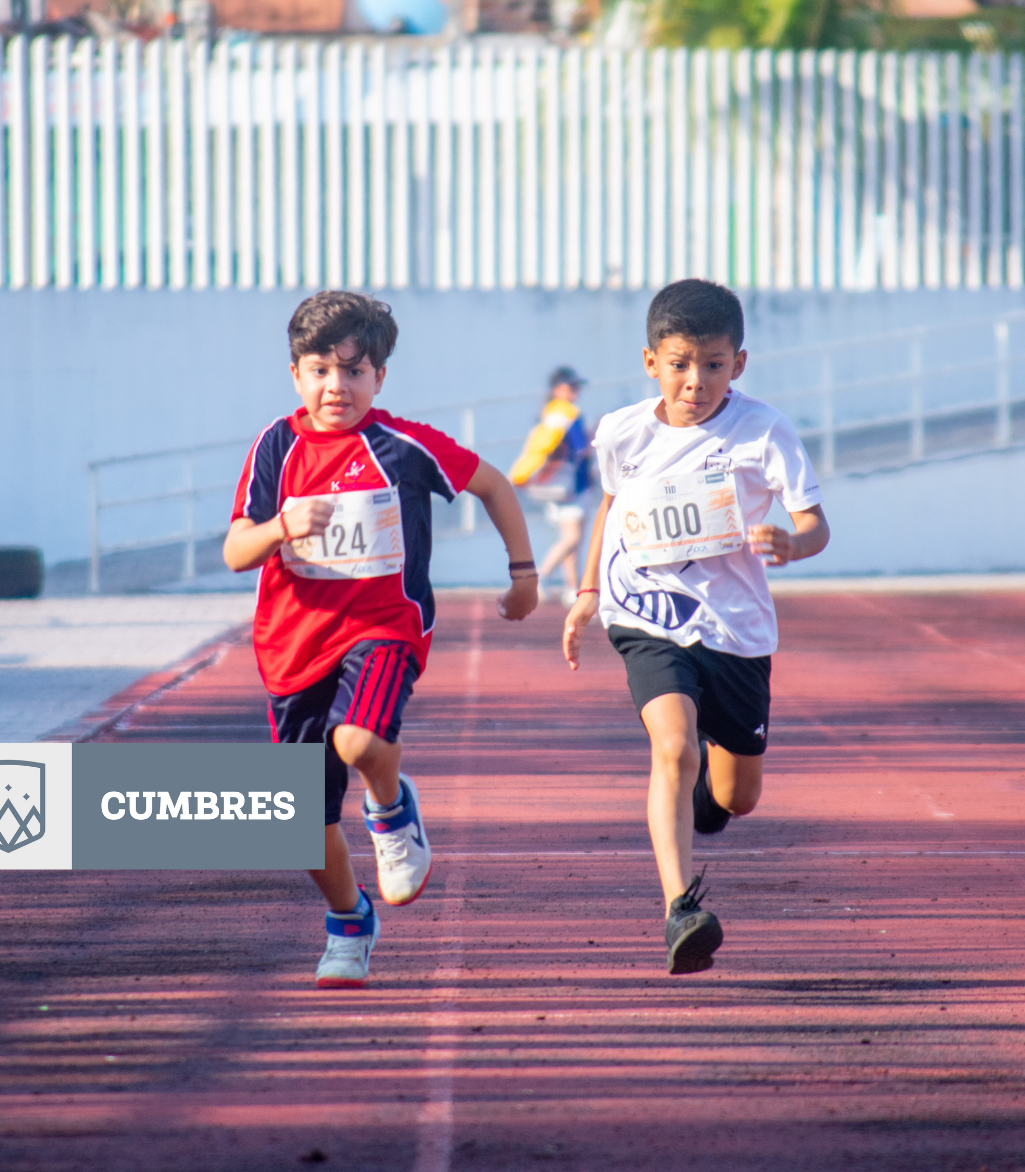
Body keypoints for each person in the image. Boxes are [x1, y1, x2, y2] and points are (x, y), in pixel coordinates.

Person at [224, 291, 538, 989]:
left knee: (360, 742)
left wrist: (522, 573)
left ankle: (391, 809)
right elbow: (236, 551)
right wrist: (284, 526)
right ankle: (349, 919)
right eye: (320, 371)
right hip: (291, 648)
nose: (337, 386)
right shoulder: (276, 447)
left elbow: (492, 484)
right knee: (296, 824)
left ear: (380, 378)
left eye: (355, 371)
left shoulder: (403, 445)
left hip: (382, 629)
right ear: (295, 375)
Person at [561, 280, 829, 976]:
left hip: (736, 630)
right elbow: (613, 509)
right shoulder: (622, 430)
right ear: (651, 361)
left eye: (712, 364)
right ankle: (682, 906)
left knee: (737, 796)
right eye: (679, 363)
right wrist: (589, 591)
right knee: (673, 748)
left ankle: (710, 797)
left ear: (738, 363)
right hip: (645, 612)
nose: (695, 381)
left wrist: (794, 544)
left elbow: (814, 522)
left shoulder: (765, 431)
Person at [509, 366, 595, 606]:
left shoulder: (550, 413)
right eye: (572, 386)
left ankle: (571, 587)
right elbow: (582, 449)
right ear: (558, 389)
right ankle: (540, 576)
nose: (576, 391)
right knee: (573, 539)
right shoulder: (568, 414)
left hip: (561, 483)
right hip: (571, 484)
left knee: (571, 539)